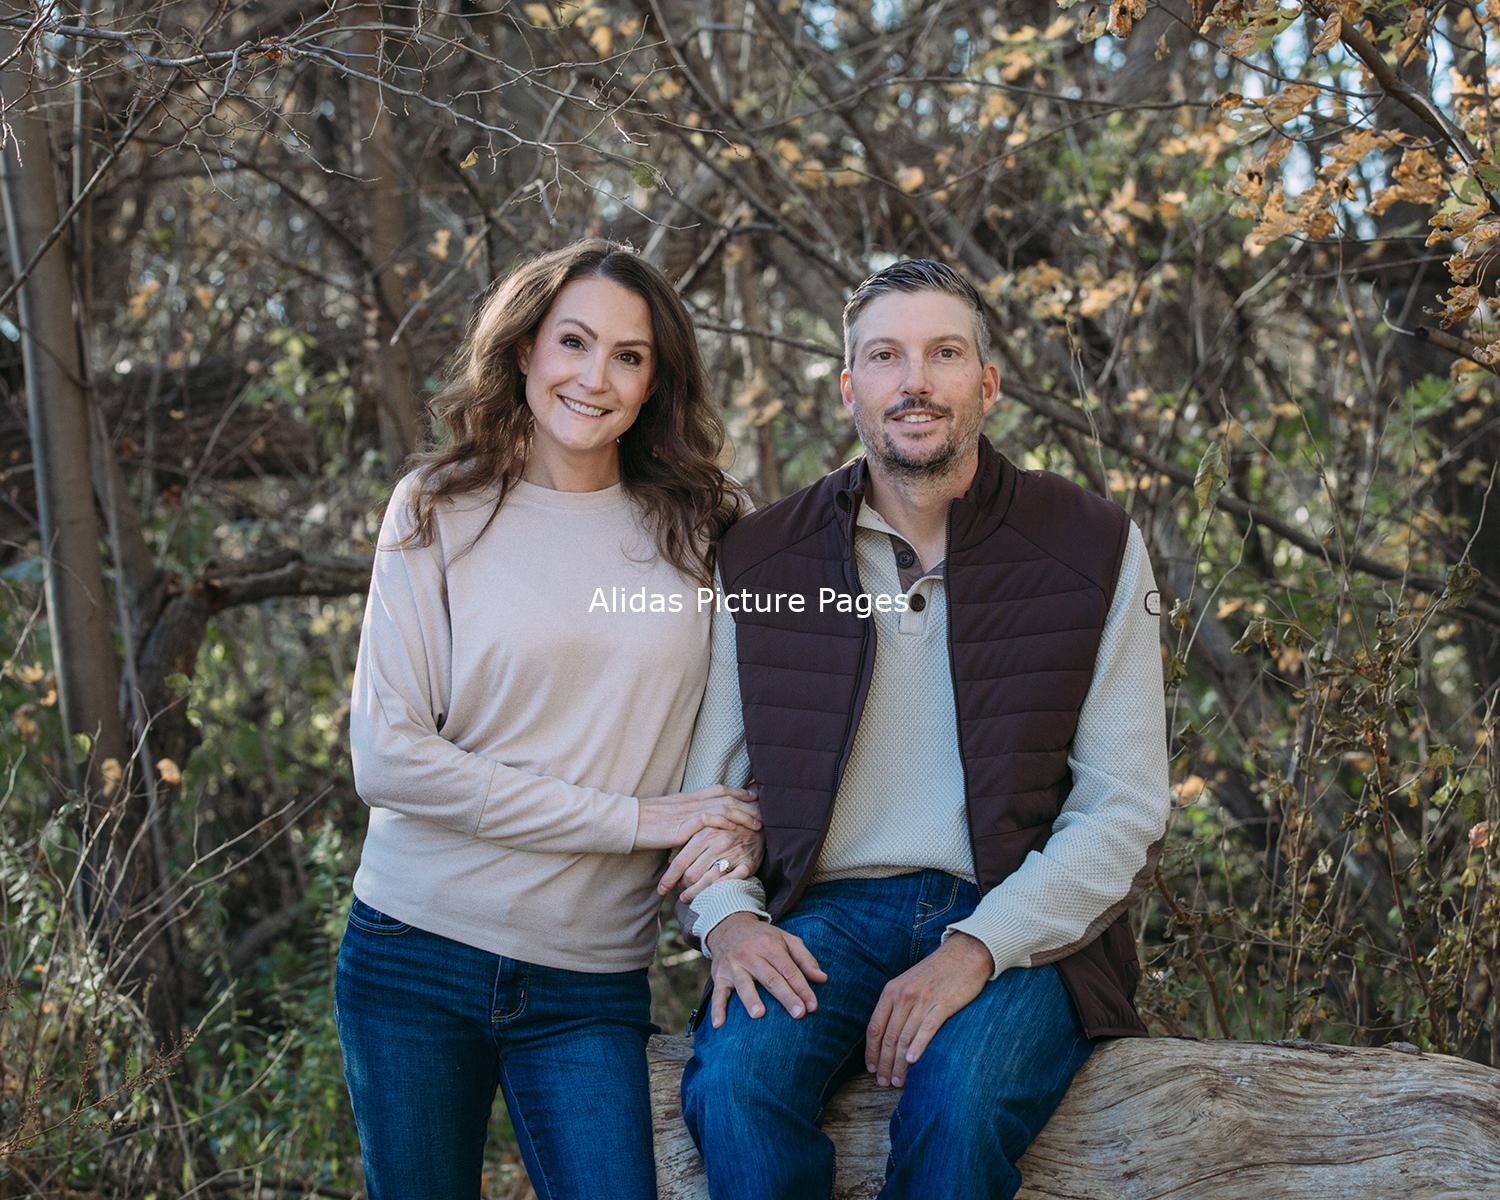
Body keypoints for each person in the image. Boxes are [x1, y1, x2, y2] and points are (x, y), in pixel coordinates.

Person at [677, 260, 1171, 1199]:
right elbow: (712, 791)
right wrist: (729, 919)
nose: (915, 381)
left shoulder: (1091, 543)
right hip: (828, 915)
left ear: (988, 382)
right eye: (885, 357)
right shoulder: (765, 557)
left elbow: (1127, 805)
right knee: (736, 1087)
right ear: (849, 387)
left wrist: (979, 946)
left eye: (944, 353)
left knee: (962, 1099)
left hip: (1019, 913)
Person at [335, 239, 759, 1200]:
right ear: (525, 347)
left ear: (655, 382)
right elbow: (388, 760)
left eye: (628, 356)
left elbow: (763, 719)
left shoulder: (704, 531)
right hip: (413, 952)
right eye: (573, 342)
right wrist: (638, 820)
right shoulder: (436, 510)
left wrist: (747, 819)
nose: (594, 378)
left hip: (588, 979)